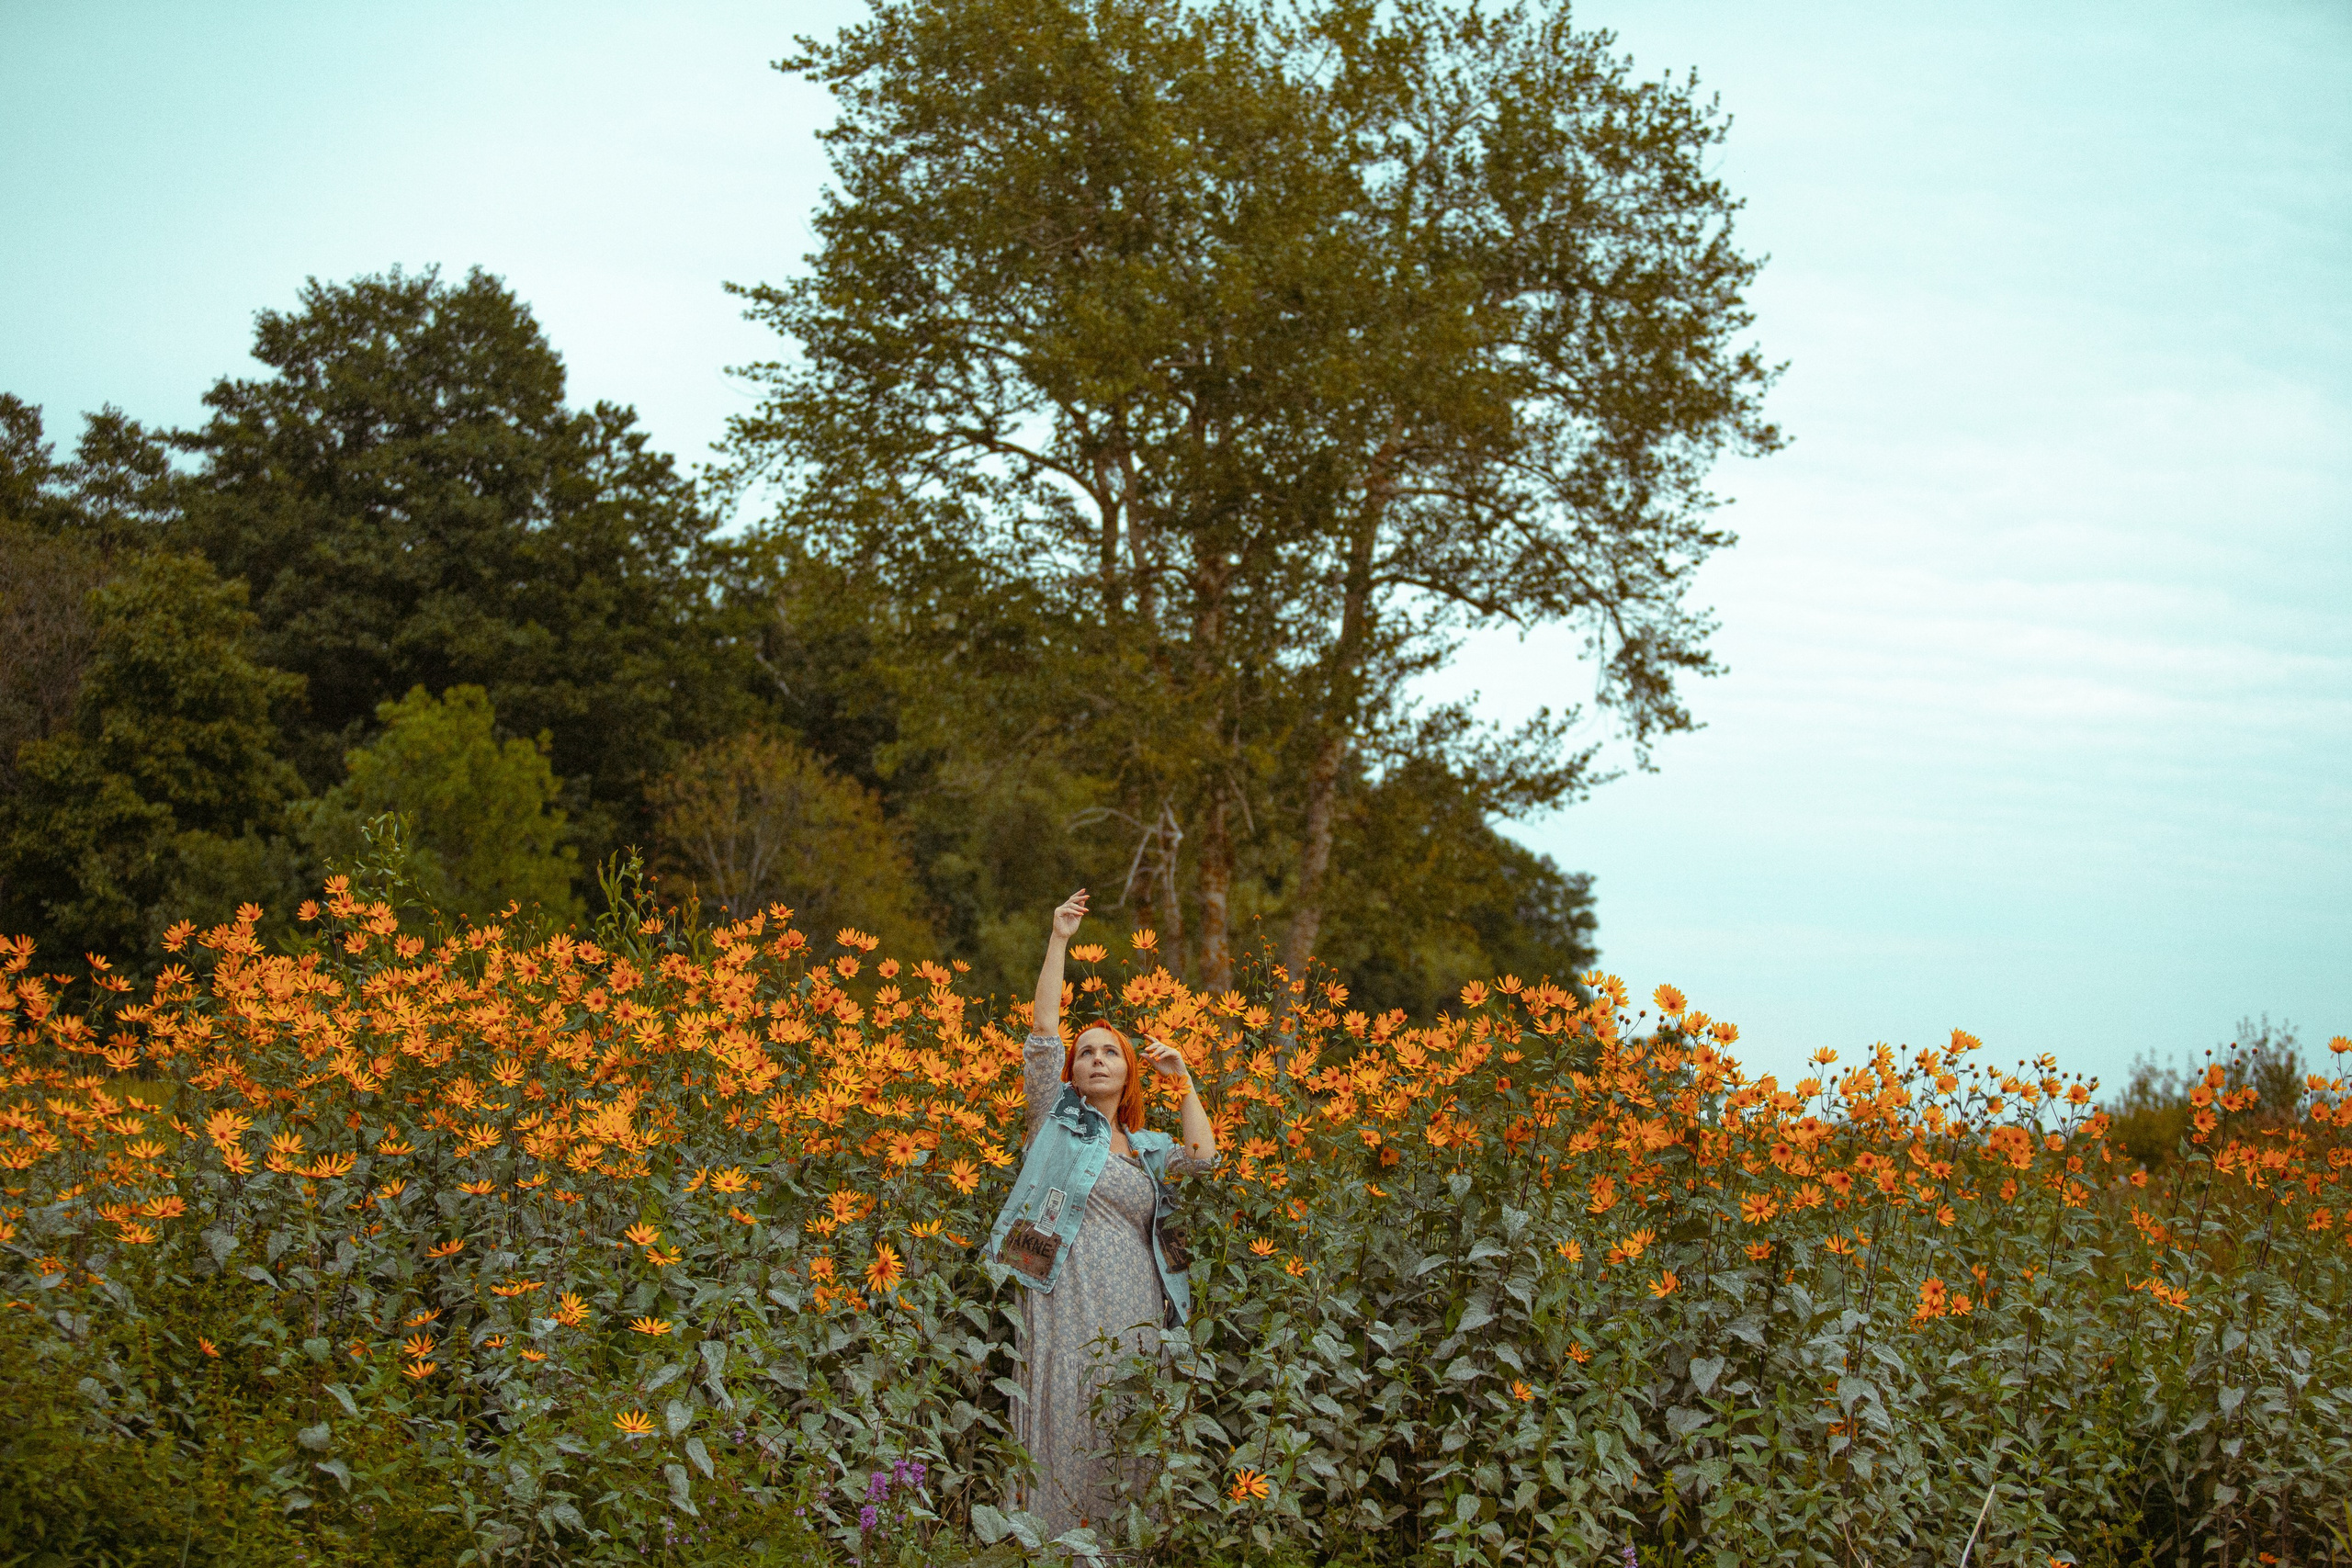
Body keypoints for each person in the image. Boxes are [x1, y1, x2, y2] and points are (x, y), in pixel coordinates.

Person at [983, 888, 1219, 1540]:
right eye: (1085, 1052)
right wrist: (1058, 938)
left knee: (1125, 1419)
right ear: (1072, 1073)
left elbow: (1203, 1158)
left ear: (1129, 1072)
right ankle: (1047, 1545)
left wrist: (1187, 1081)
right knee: (1064, 1405)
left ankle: (1116, 1552)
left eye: (1108, 1051)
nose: (1094, 1058)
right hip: (1062, 1286)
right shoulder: (1053, 1118)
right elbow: (1041, 1034)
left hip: (1138, 1303)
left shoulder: (1147, 1150)